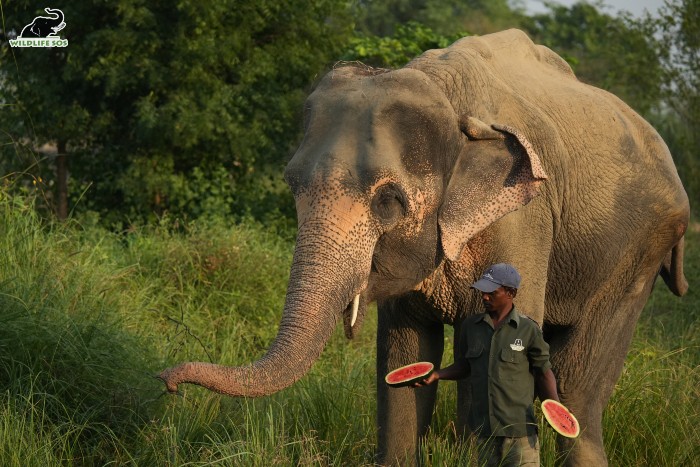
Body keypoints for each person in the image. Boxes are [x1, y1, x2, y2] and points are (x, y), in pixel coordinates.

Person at [414, 263, 559, 466]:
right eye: (482, 291)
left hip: (520, 434)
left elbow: (544, 373)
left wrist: (557, 412)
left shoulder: (528, 329)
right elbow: (466, 365)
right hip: (484, 433)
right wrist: (437, 375)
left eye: (491, 292)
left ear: (510, 293)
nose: (484, 297)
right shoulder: (471, 327)